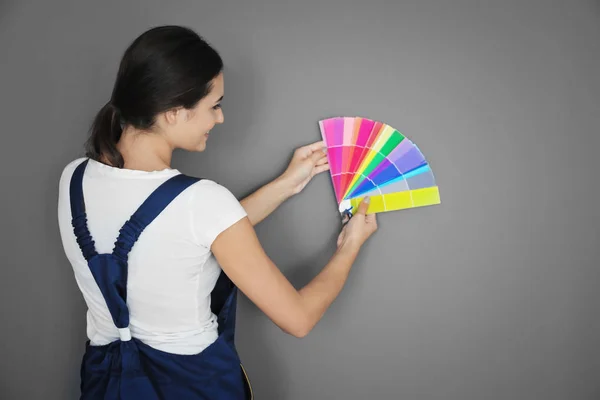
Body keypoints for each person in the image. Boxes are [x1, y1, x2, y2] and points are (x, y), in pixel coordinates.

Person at [57, 25, 377, 399]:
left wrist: (288, 183)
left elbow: (180, 240)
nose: (220, 119)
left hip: (106, 384)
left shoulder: (74, 178)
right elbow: (299, 319)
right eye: (214, 106)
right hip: (194, 385)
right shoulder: (202, 202)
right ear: (175, 112)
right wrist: (350, 245)